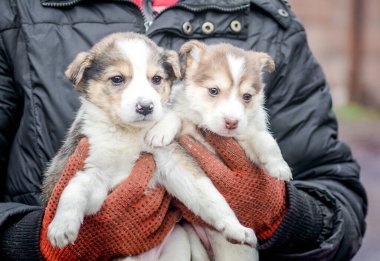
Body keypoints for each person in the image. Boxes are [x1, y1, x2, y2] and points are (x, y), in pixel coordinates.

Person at [0, 0, 367, 260]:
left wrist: (280, 212)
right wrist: (35, 242)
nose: (145, 100)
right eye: (117, 80)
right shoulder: (17, 11)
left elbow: (339, 203)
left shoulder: (272, 23)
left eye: (158, 80)